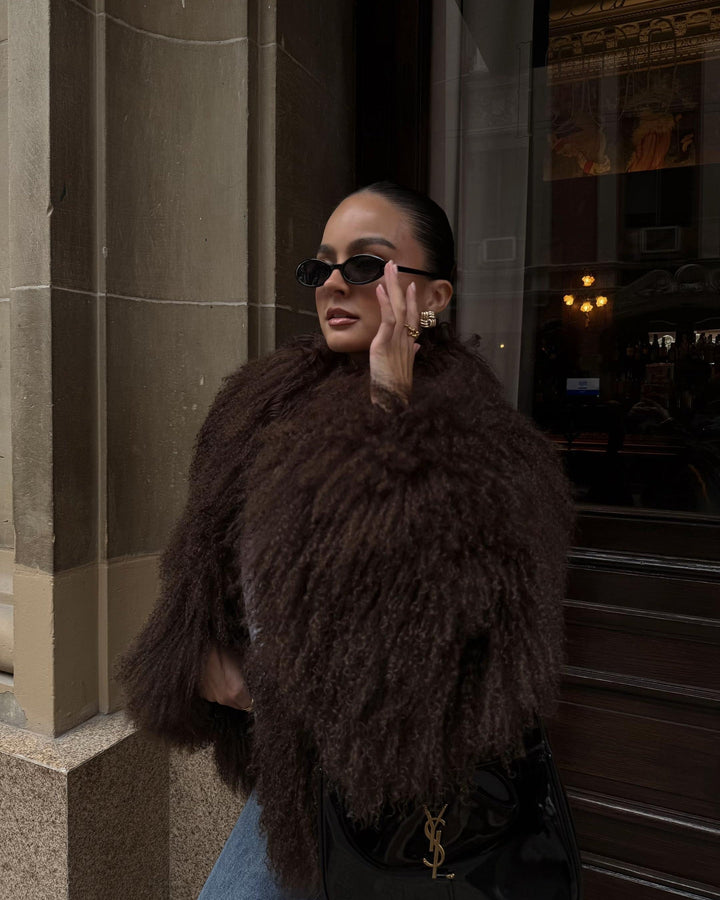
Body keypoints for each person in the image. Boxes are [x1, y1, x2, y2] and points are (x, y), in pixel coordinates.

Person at [119, 182, 576, 900]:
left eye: (366, 265)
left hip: (403, 804)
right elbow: (209, 565)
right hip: (296, 788)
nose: (333, 282)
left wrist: (390, 400)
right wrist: (194, 650)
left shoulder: (481, 445)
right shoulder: (264, 406)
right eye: (320, 266)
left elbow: (413, 649)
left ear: (433, 296)